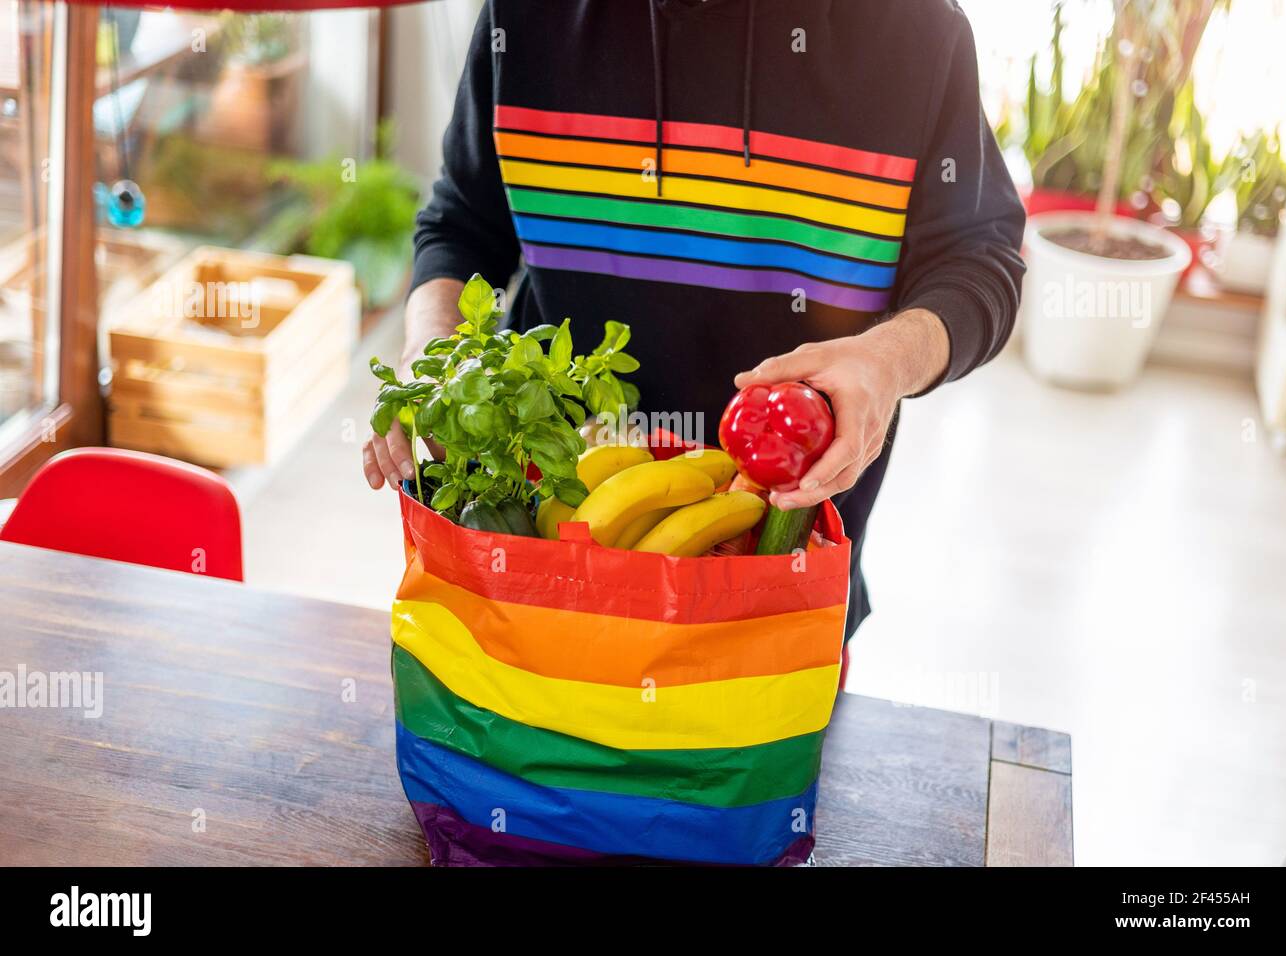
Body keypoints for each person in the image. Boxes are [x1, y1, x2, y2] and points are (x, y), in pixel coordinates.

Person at [363, 0, 1026, 641]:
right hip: (533, 554)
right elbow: (461, 226)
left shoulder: (916, 31)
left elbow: (977, 261)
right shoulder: (523, 14)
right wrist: (435, 358)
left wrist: (886, 365)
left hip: (777, 569)